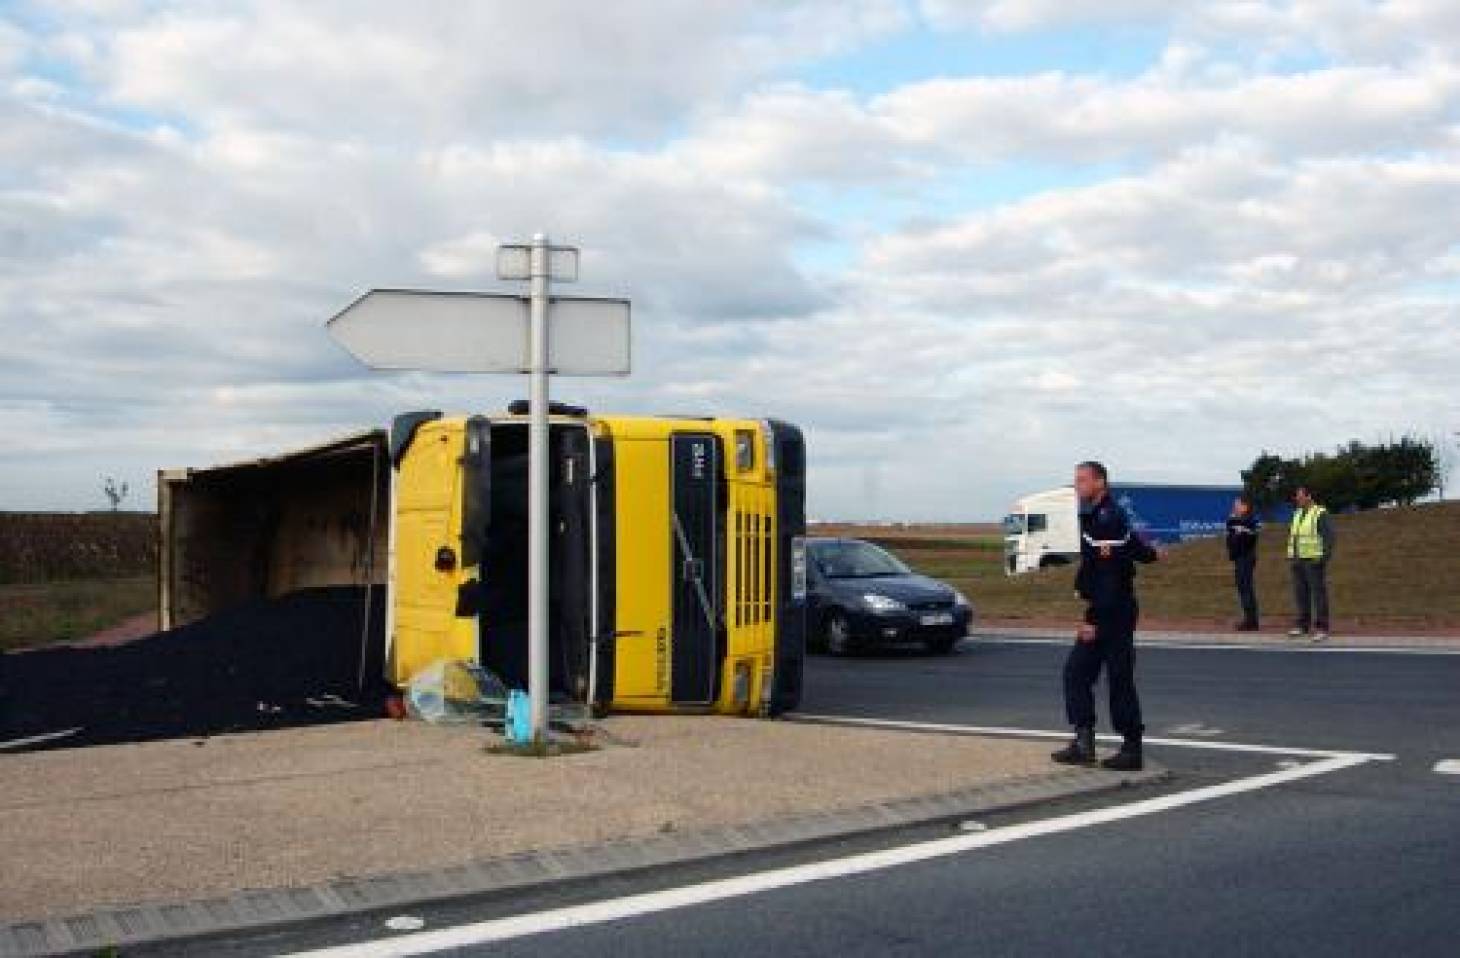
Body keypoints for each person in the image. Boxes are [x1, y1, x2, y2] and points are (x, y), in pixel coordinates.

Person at [1052, 461, 1162, 772]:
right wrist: (1152, 554)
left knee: (1117, 678)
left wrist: (1093, 619)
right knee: (1078, 674)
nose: (1077, 486)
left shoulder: (1106, 517)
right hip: (1110, 607)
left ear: (1100, 482)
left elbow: (1108, 576)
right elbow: (1135, 550)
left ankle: (1131, 749)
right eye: (1076, 480)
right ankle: (1085, 743)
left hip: (1111, 611)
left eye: (1083, 480)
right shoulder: (1102, 515)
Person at [1287, 486, 1335, 642]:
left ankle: (1322, 627)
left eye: (1300, 497)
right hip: (1298, 560)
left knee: (1318, 594)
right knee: (1301, 594)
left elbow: (1329, 537)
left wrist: (1323, 558)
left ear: (1309, 496)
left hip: (1314, 560)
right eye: (1297, 497)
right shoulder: (1297, 513)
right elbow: (1294, 537)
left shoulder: (1320, 513)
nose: (1298, 499)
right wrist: (1292, 557)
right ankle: (1303, 625)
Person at [1226, 495, 1261, 631]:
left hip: (1245, 558)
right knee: (1243, 588)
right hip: (1239, 558)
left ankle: (1251, 621)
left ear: (1245, 506)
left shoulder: (1249, 520)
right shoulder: (1238, 521)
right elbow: (1231, 527)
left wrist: (1235, 522)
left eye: (1237, 504)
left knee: (1246, 588)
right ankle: (1249, 619)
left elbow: (1238, 529)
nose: (1234, 507)